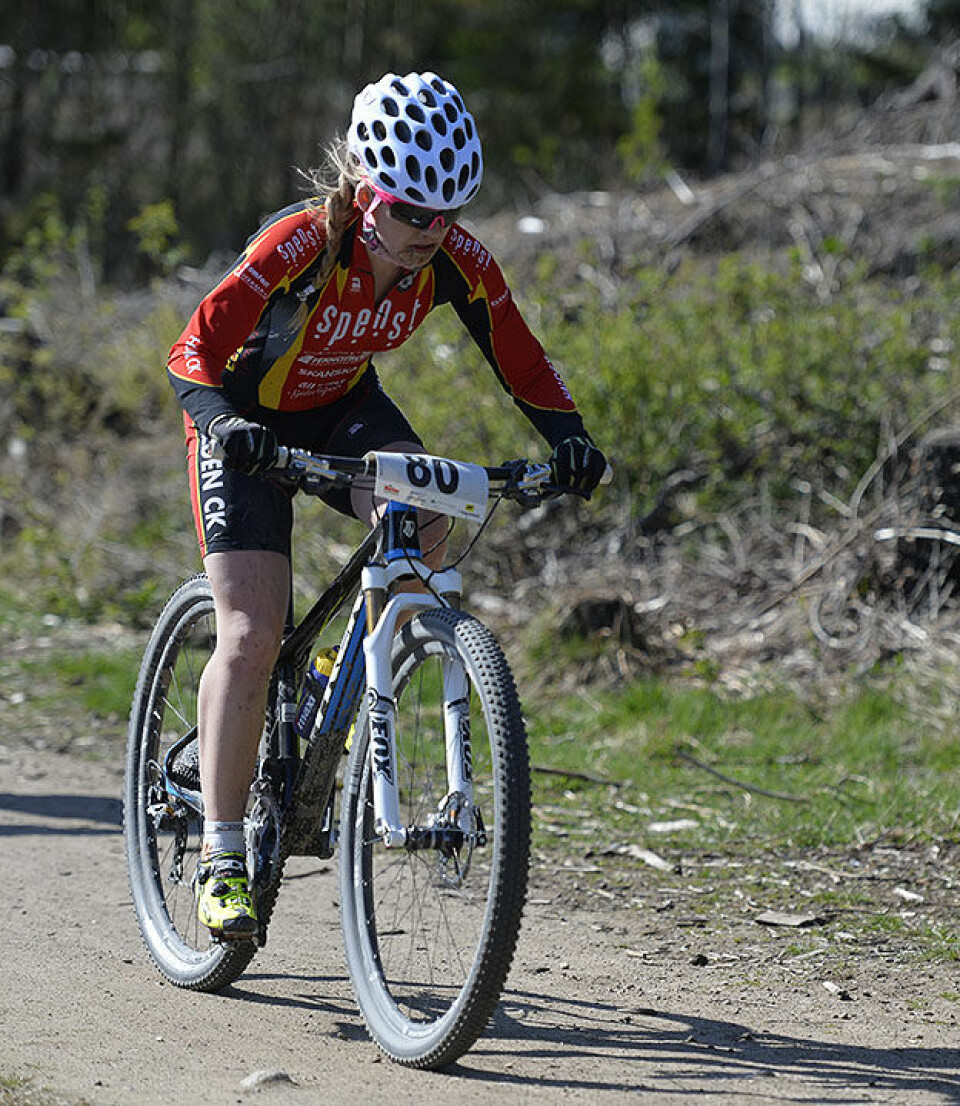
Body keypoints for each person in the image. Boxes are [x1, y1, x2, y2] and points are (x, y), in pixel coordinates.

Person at [167, 70, 607, 939]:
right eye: (411, 213)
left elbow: (522, 359)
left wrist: (571, 439)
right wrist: (224, 426)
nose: (429, 234)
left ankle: (352, 673)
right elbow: (192, 351)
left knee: (431, 506)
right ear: (367, 193)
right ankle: (221, 856)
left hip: (340, 410)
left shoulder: (454, 261)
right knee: (252, 634)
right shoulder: (298, 246)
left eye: (448, 215)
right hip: (241, 423)